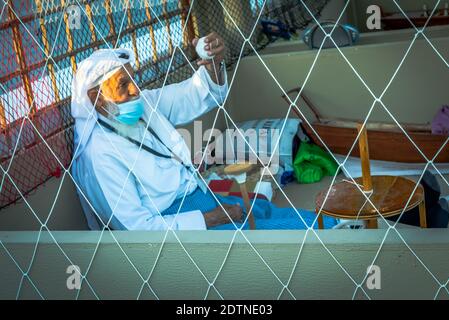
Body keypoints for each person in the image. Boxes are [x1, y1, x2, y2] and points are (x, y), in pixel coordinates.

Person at [71, 32, 337, 231]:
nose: (135, 90)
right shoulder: (100, 156)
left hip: (197, 194)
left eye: (133, 79)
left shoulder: (143, 105)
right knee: (267, 233)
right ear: (96, 98)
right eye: (123, 85)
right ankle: (340, 239)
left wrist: (211, 64)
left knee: (263, 209)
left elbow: (194, 95)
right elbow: (137, 230)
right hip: (175, 220)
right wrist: (214, 218)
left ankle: (341, 222)